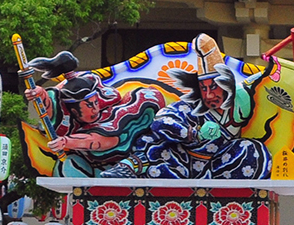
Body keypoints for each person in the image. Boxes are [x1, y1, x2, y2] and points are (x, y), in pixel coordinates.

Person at [106, 63, 271, 180]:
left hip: (214, 167)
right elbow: (161, 120)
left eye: (213, 87)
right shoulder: (189, 107)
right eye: (203, 89)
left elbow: (262, 79)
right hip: (177, 161)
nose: (209, 95)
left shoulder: (241, 103)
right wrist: (191, 133)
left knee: (253, 151)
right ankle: (127, 168)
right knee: (156, 148)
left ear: (227, 85)